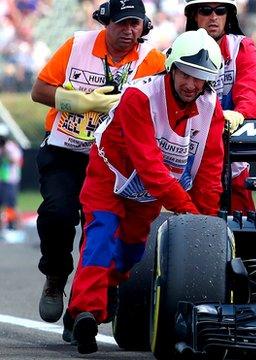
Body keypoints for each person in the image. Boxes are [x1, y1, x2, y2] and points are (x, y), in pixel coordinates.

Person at [67, 28, 226, 354]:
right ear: (171, 67)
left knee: (132, 252)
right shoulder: (139, 96)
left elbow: (209, 175)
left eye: (200, 78)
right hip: (112, 176)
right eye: (185, 73)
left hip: (151, 191)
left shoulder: (212, 111)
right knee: (101, 235)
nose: (191, 84)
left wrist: (203, 227)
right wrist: (187, 208)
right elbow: (150, 165)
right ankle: (84, 314)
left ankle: (106, 288)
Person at [30, 0, 165, 324]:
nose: (129, 31)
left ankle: (86, 305)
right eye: (121, 23)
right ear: (106, 23)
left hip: (115, 160)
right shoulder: (77, 45)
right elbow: (38, 90)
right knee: (57, 215)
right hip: (66, 151)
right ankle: (55, 277)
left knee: (101, 230)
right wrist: (71, 99)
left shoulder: (153, 60)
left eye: (135, 23)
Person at [184, 0, 256, 214]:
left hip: (233, 155)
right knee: (194, 227)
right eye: (206, 10)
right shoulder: (180, 50)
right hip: (194, 158)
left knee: (245, 226)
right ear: (194, 15)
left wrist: (239, 114)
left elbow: (251, 94)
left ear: (229, 15)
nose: (213, 17)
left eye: (220, 10)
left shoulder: (243, 47)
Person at [0, 124, 23, 232]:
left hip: (11, 179)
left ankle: (16, 227)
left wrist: (5, 152)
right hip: (2, 179)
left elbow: (16, 161)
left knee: (11, 204)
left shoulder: (11, 147)